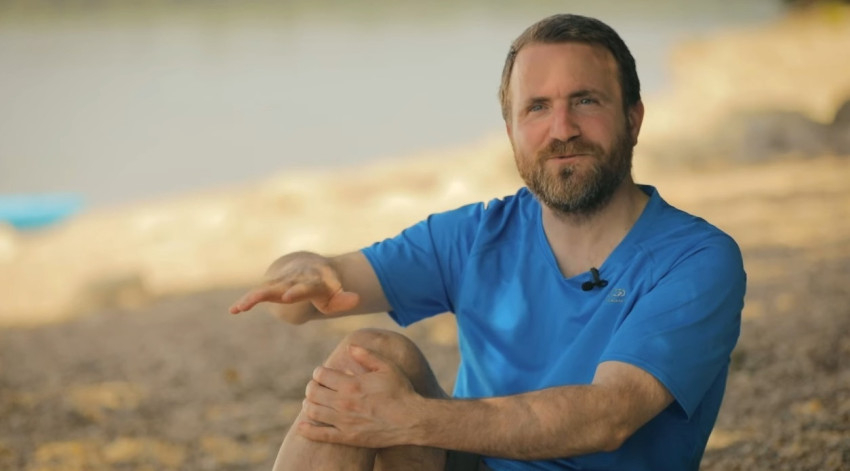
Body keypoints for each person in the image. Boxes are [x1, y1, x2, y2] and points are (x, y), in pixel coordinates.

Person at [230, 13, 746, 471]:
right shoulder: (478, 234)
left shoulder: (695, 258)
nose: (562, 129)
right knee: (369, 355)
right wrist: (305, 269)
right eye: (537, 108)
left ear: (633, 118)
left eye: (585, 101)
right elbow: (301, 304)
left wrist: (410, 418)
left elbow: (609, 416)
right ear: (511, 131)